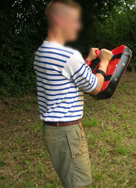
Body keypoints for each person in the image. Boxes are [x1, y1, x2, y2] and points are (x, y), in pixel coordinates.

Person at [34, 0, 113, 187]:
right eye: (75, 20)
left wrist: (88, 59)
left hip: (54, 130)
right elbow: (94, 86)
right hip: (67, 133)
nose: (78, 26)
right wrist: (103, 62)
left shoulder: (42, 51)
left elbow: (67, 77)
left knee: (69, 180)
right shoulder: (68, 56)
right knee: (79, 183)